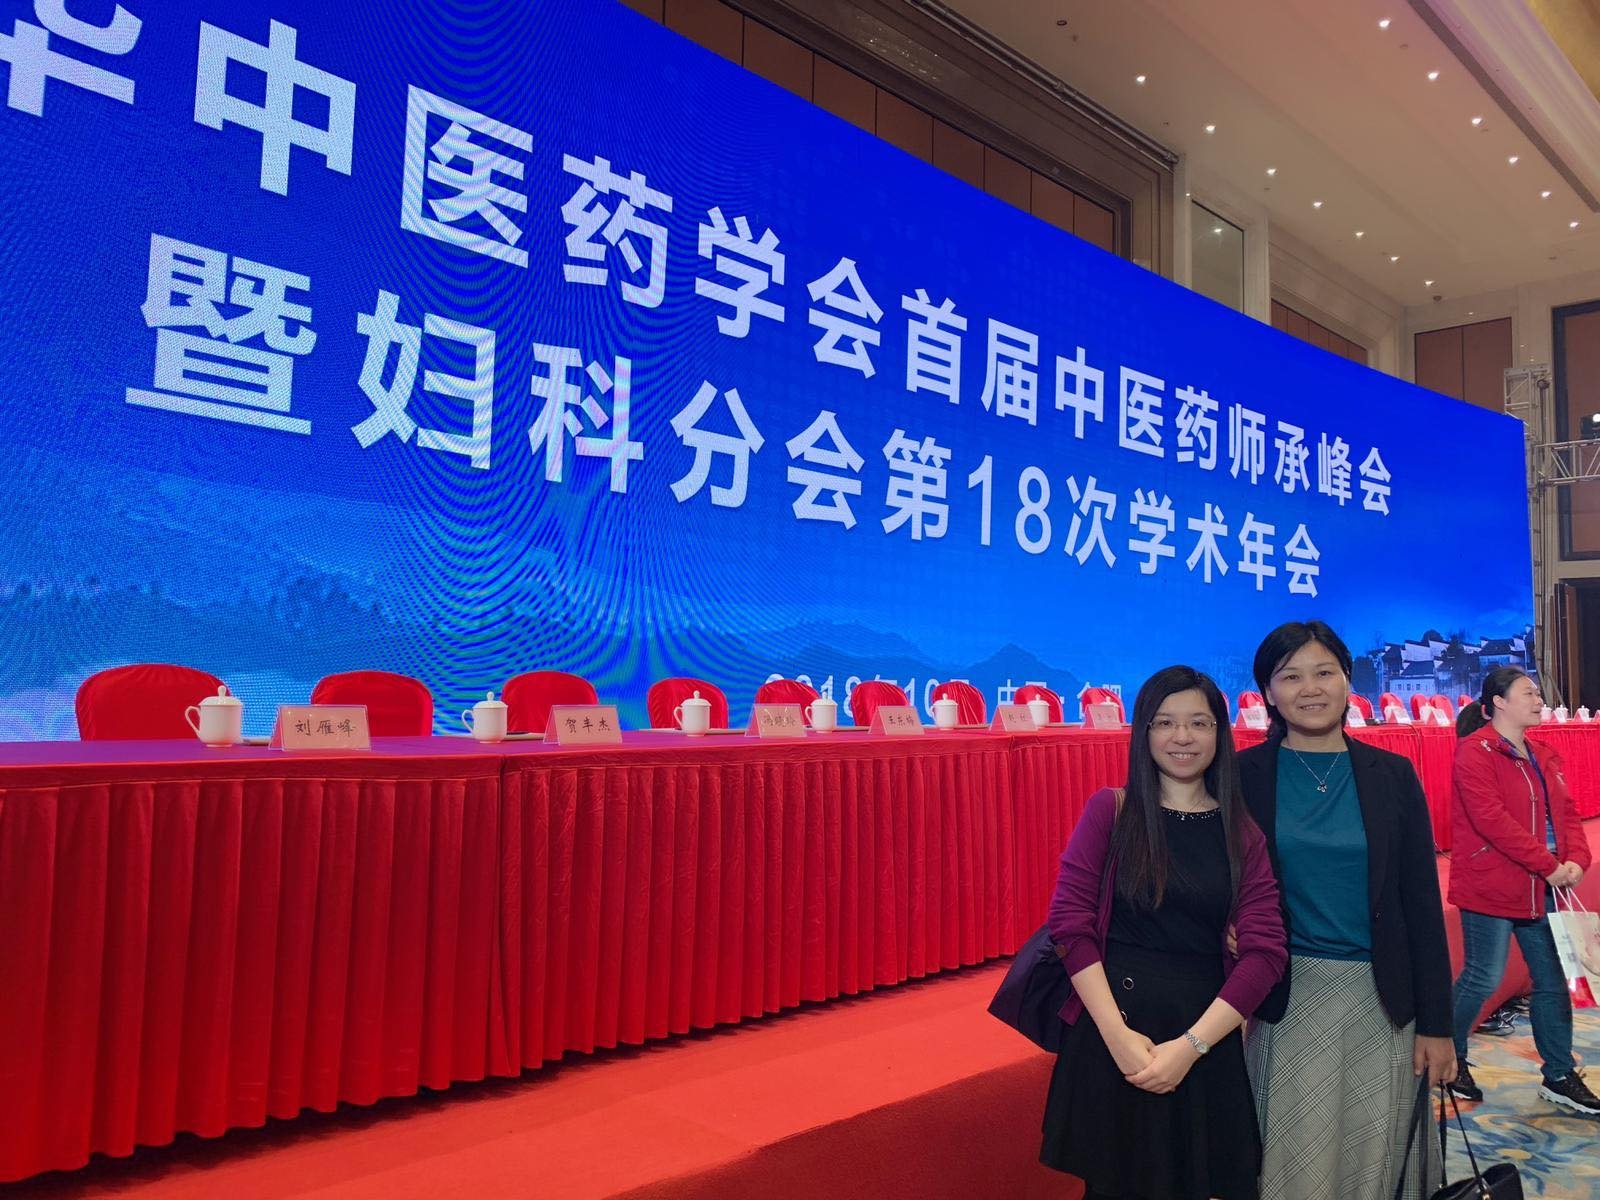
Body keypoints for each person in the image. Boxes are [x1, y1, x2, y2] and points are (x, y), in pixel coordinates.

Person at [1041, 666, 1286, 1200]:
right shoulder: (1112, 810)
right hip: (1115, 1029)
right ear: (1144, 732)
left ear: (1219, 733)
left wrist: (1190, 1048)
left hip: (1202, 1034)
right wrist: (1118, 1038)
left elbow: (1265, 952)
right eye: (1165, 722)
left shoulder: (1241, 832)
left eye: (1198, 723)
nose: (1182, 737)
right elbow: (1071, 925)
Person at [1238, 621, 1454, 1200]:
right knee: (1293, 1159)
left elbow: (1421, 906)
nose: (1310, 688)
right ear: (1268, 693)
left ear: (1348, 681)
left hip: (1383, 1002)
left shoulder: (1393, 776)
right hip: (1289, 1002)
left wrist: (1438, 1025)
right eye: (1290, 676)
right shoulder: (1244, 776)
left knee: (1373, 1159)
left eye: (1324, 672)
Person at [1447, 668, 1598, 1114]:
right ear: (1498, 702)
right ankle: (1448, 1058)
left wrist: (1577, 860)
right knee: (1483, 977)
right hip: (1493, 883)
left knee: (1552, 981)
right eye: (1528, 693)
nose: (1538, 700)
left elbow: (1566, 815)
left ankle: (1559, 1074)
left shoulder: (1543, 754)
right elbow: (1491, 820)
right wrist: (1548, 865)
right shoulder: (1475, 752)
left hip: (1542, 884)